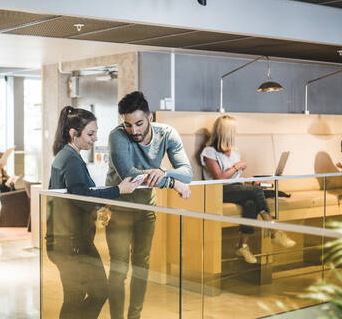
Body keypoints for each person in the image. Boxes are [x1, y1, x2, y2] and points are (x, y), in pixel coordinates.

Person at [47, 106, 142, 319]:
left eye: (96, 133)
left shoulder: (67, 156)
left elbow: (78, 195)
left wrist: (102, 202)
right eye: (90, 134)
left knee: (78, 295)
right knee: (90, 293)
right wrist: (119, 190)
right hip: (71, 243)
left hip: (68, 240)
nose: (95, 139)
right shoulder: (70, 158)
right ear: (73, 133)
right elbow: (81, 195)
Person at [105, 91, 192, 319]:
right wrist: (172, 182)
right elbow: (129, 175)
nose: (134, 130)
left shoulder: (167, 134)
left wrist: (163, 171)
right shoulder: (117, 136)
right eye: (128, 124)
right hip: (119, 209)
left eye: (139, 123)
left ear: (150, 117)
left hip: (146, 210)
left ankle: (135, 317)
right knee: (119, 269)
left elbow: (188, 172)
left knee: (141, 267)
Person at [200, 115, 295, 264]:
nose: (236, 133)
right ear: (226, 132)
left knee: (251, 202)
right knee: (257, 193)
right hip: (218, 191)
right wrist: (236, 167)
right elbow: (219, 178)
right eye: (234, 130)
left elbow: (237, 177)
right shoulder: (209, 152)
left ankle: (242, 246)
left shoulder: (235, 151)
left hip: (236, 188)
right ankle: (274, 230)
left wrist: (250, 181)